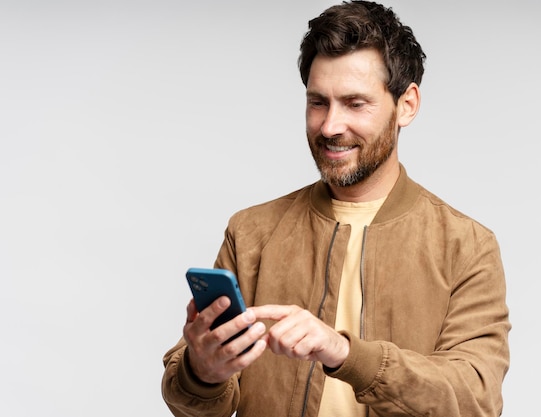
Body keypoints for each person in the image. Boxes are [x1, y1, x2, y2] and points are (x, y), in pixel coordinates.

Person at [161, 1, 511, 416]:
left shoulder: (466, 246)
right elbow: (193, 402)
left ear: (406, 105)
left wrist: (345, 353)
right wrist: (202, 372)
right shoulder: (251, 232)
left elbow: (473, 400)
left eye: (355, 103)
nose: (329, 126)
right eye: (318, 102)